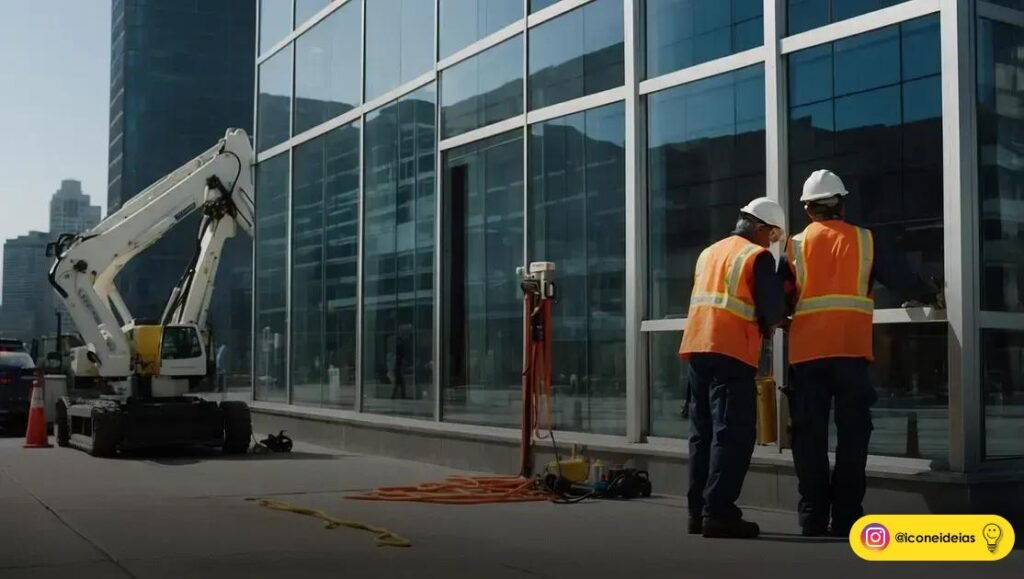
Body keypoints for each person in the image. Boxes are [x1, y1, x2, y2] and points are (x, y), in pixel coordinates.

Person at [779, 169, 944, 537]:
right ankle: (848, 516)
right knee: (853, 438)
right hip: (851, 354)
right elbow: (902, 279)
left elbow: (779, 298)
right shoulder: (866, 241)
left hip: (806, 357)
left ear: (808, 209)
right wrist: (931, 293)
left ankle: (813, 518)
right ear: (842, 204)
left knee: (809, 440)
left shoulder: (795, 245)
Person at [679, 198, 788, 539]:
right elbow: (772, 313)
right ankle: (720, 512)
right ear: (760, 228)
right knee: (733, 433)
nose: (773, 242)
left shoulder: (709, 253)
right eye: (772, 235)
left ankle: (697, 512)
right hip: (731, 352)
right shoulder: (755, 257)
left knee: (704, 433)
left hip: (698, 348)